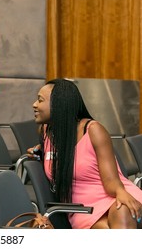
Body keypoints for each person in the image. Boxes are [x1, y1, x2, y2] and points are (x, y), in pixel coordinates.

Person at [29, 78, 142, 229]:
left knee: (123, 210)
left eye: (40, 100)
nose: (34, 105)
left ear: (59, 105)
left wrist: (121, 192)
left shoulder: (93, 130)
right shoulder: (45, 131)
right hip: (82, 210)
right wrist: (40, 151)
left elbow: (111, 181)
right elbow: (62, 152)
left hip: (113, 194)